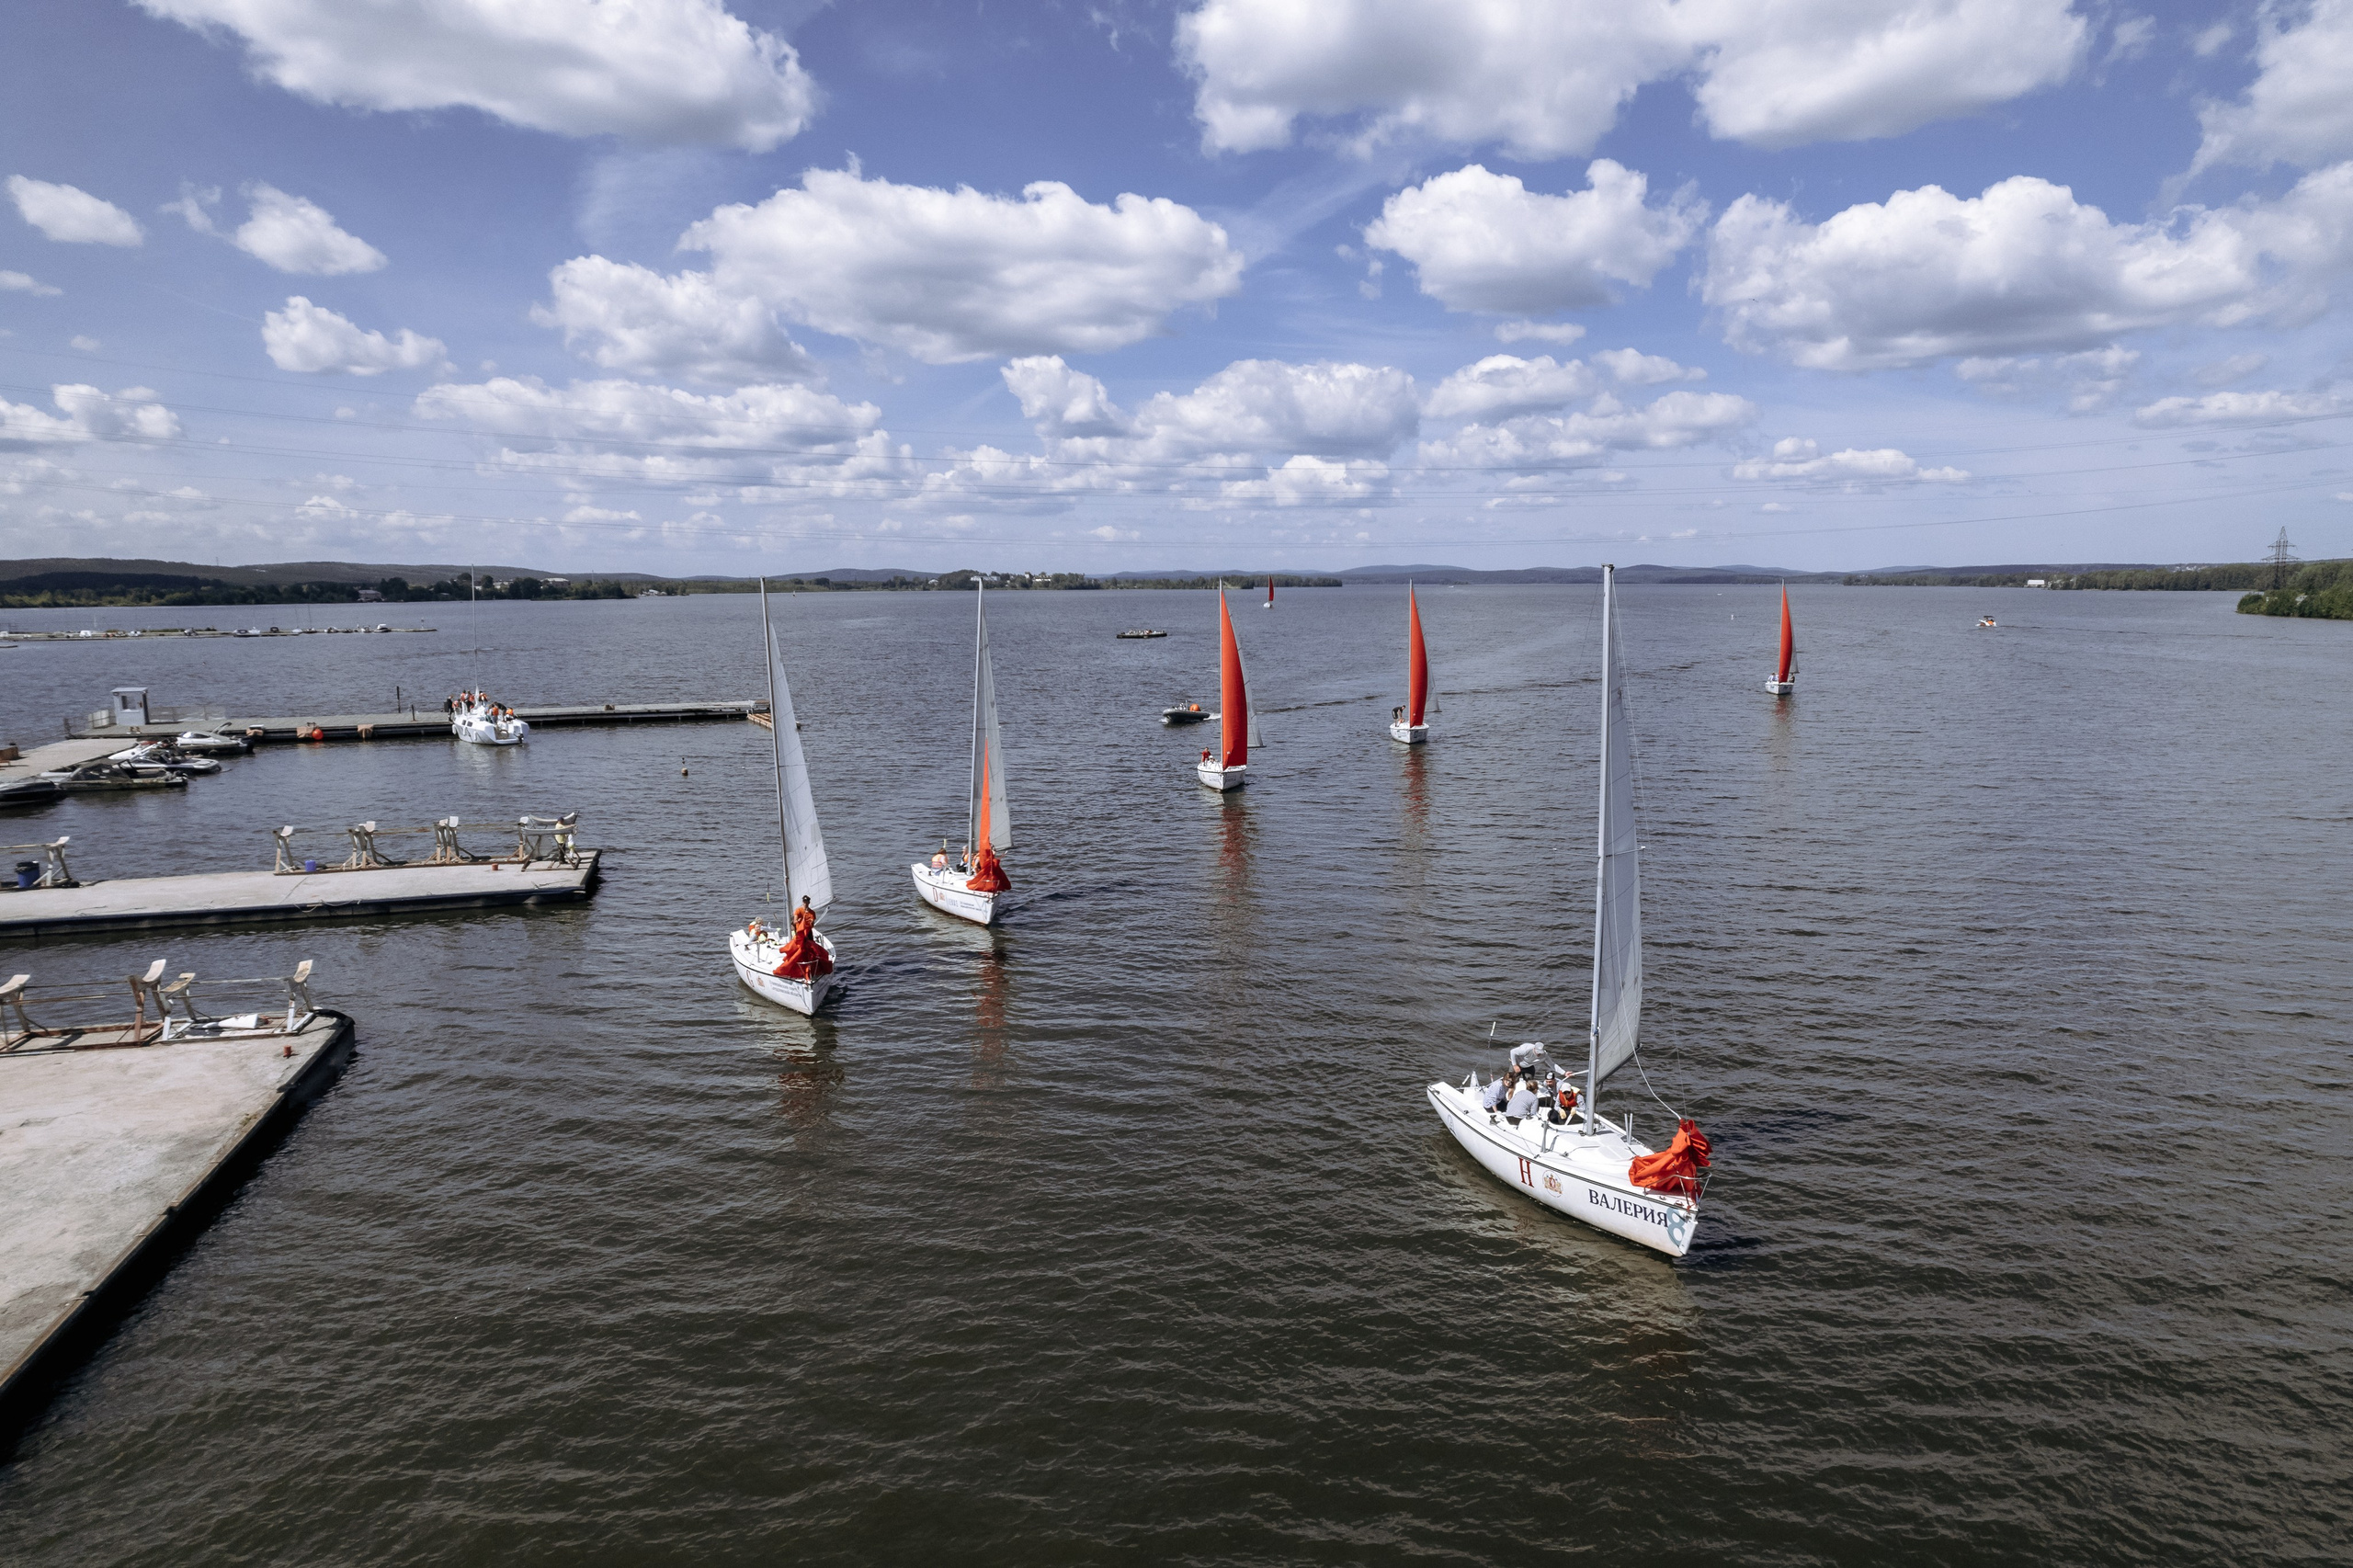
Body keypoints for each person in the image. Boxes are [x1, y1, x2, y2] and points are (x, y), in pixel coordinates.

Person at [773, 894, 834, 981]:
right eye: (804, 902)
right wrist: (798, 921)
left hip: (808, 933)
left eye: (807, 902)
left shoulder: (812, 913)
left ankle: (811, 966)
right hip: (800, 933)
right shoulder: (798, 910)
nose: (806, 904)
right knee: (798, 949)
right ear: (803, 902)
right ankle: (796, 966)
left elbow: (812, 925)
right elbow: (795, 920)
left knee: (811, 949)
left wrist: (811, 922)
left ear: (809, 902)